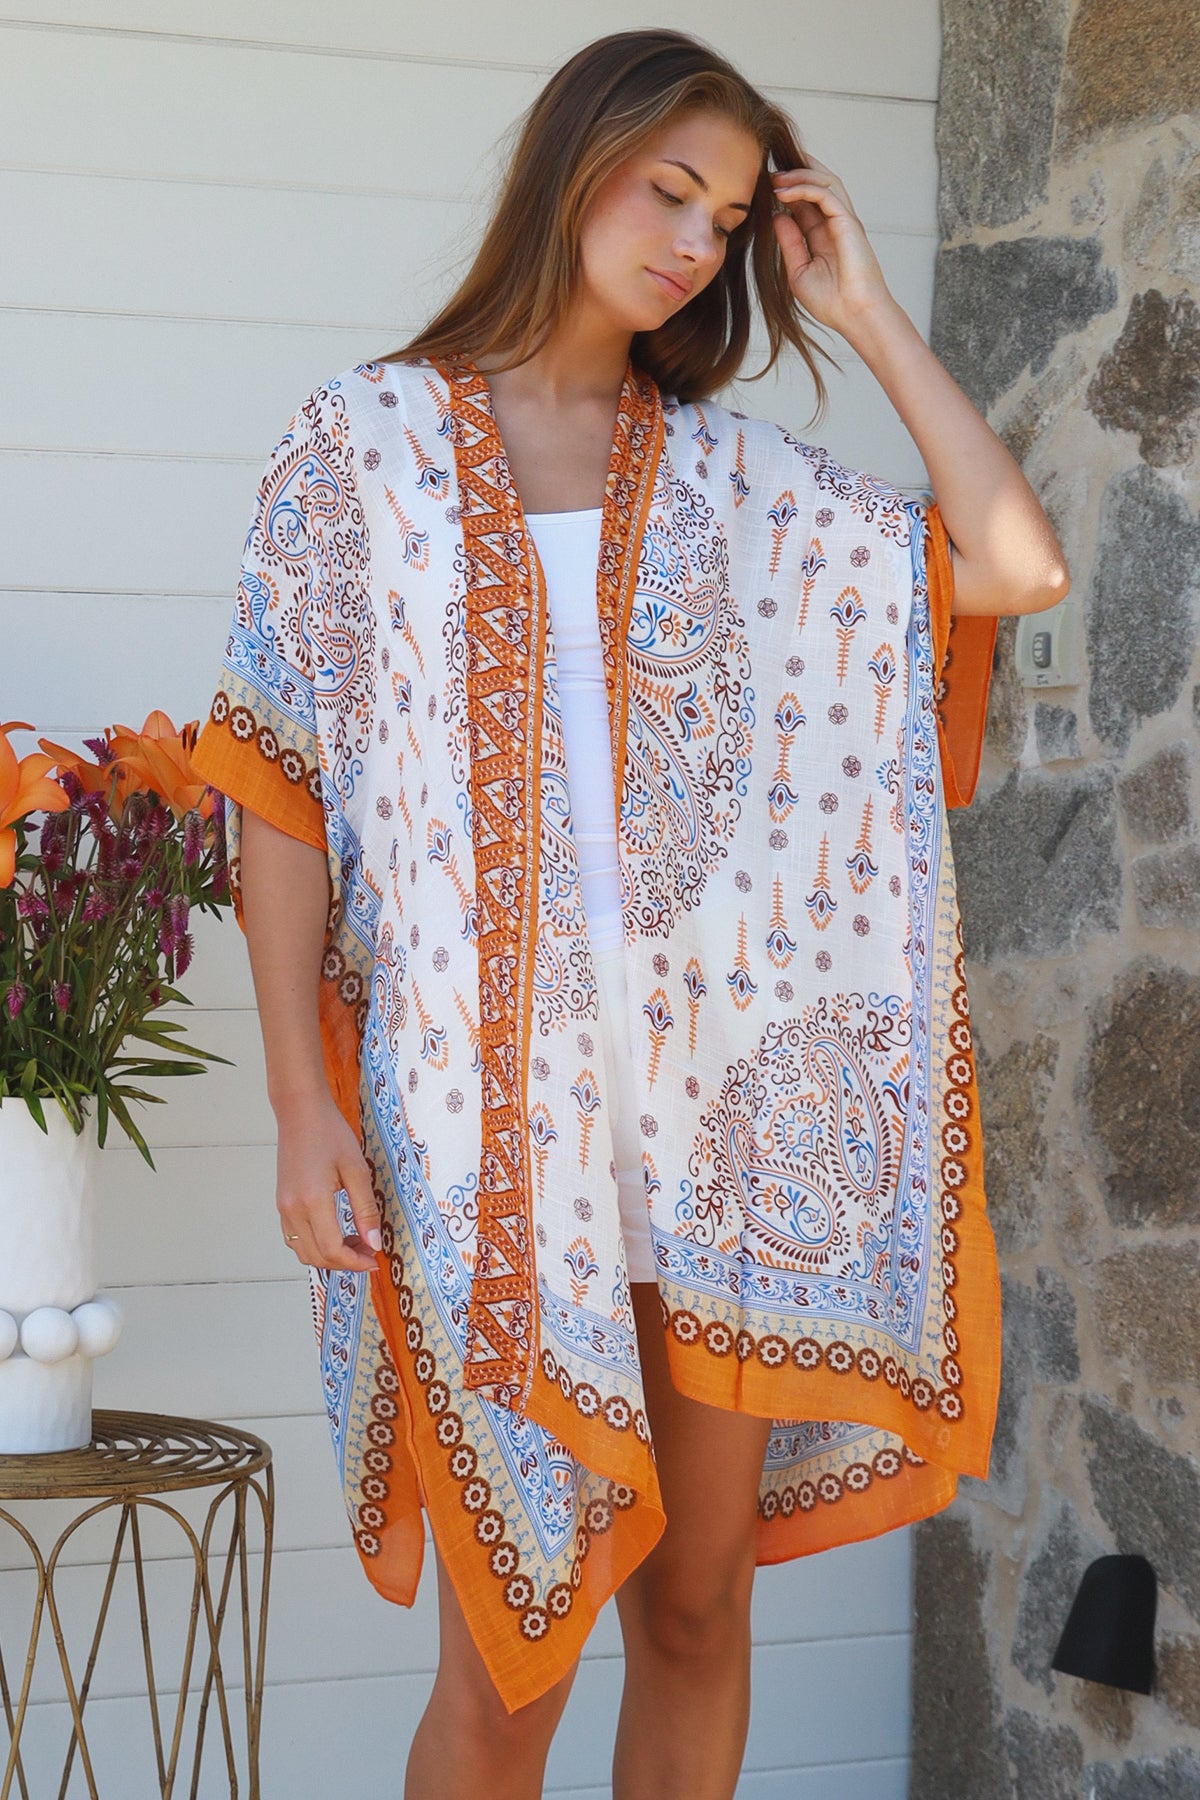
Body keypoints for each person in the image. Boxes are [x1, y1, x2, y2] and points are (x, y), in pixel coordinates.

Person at [191, 28, 1068, 1800]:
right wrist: (298, 1100)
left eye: (727, 219)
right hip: (478, 1148)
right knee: (507, 1666)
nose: (693, 241)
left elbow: (1015, 562)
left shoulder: (746, 486)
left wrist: (863, 310)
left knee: (693, 1611)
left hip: (713, 1144)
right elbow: (277, 781)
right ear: (571, 163)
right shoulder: (361, 447)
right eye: (670, 190)